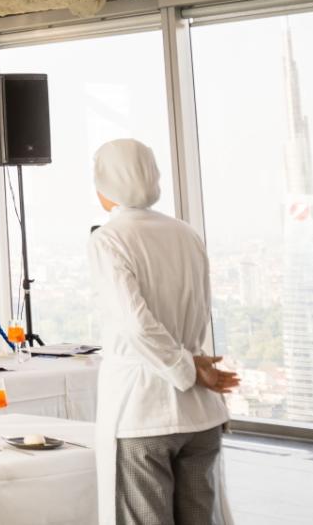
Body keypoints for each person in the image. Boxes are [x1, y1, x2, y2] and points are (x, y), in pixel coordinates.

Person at [90, 139, 238, 525]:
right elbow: (199, 310)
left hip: (143, 411)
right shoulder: (186, 233)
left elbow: (134, 323)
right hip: (201, 415)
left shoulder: (109, 238)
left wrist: (185, 368)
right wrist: (193, 366)